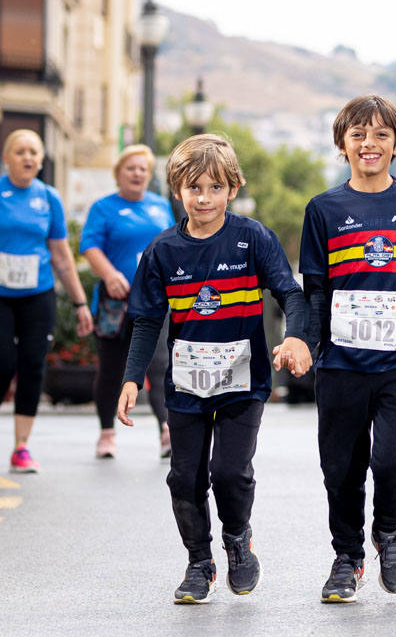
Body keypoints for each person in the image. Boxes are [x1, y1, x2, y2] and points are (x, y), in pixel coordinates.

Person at [116, 134, 311, 604]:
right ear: (177, 191)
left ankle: (238, 541)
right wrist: (130, 378)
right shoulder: (162, 251)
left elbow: (291, 293)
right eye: (193, 188)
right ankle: (198, 562)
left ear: (233, 188)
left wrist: (296, 336)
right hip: (185, 385)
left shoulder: (252, 238)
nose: (204, 198)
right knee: (184, 476)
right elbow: (146, 322)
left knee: (228, 472)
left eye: (215, 188)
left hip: (244, 383)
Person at [300, 95, 396, 603]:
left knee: (394, 458)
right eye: (358, 135)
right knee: (341, 464)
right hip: (341, 360)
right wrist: (305, 342)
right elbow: (314, 289)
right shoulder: (324, 209)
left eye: (380, 135)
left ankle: (389, 534)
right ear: (341, 145)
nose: (369, 144)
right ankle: (346, 556)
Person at [2, 129, 94, 474]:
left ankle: (21, 447)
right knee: (2, 359)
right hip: (1, 295)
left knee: (32, 364)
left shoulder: (49, 198)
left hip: (37, 293)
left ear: (41, 161)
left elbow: (60, 254)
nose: (28, 158)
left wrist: (80, 303)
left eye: (34, 153)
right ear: (7, 157)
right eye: (21, 151)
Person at [79, 145, 174, 460]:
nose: (137, 174)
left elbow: (171, 247)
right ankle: (107, 433)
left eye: (143, 169)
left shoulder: (161, 206)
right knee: (112, 369)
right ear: (119, 173)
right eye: (130, 168)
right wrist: (109, 275)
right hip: (115, 305)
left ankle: (166, 431)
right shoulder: (103, 208)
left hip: (154, 301)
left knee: (160, 364)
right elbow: (90, 247)